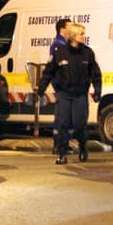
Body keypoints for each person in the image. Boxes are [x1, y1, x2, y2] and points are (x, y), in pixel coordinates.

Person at [38, 23, 102, 165]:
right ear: (73, 36)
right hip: (64, 94)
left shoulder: (88, 53)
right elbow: (48, 72)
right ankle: (61, 154)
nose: (84, 37)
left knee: (79, 125)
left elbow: (96, 74)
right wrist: (41, 89)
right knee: (63, 124)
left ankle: (83, 147)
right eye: (81, 34)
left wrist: (97, 91)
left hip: (80, 95)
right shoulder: (60, 52)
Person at [48, 18, 72, 154]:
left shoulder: (66, 44)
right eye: (69, 27)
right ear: (62, 29)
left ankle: (65, 142)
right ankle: (58, 143)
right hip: (62, 85)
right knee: (62, 115)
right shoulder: (58, 45)